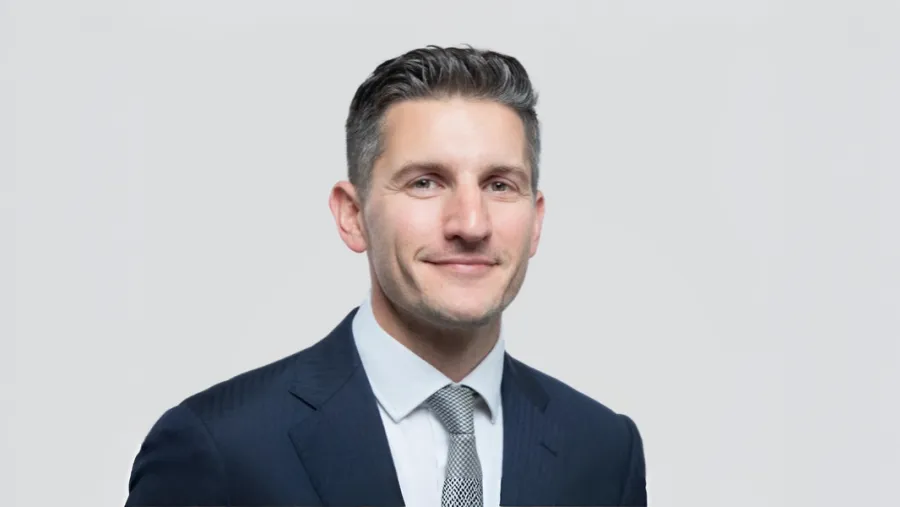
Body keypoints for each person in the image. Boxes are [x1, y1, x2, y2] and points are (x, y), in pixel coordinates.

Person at [125, 45, 647, 507]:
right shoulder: (221, 446)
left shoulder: (604, 450)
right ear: (352, 216)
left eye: (499, 185)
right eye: (425, 182)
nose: (471, 223)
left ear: (536, 221)